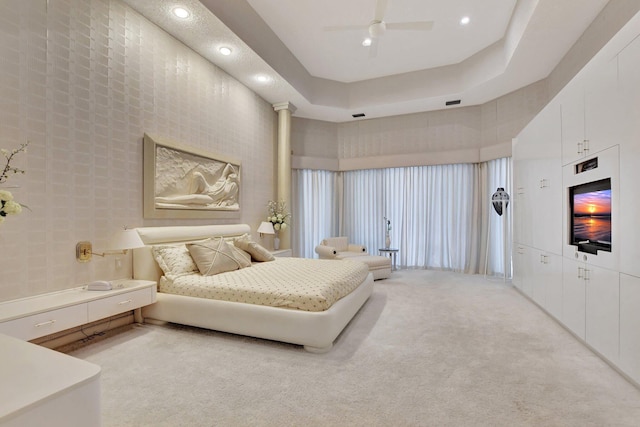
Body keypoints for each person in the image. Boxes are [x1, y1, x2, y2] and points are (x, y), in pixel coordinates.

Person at [155, 163, 239, 209]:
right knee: (197, 175)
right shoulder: (223, 179)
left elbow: (228, 200)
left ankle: (166, 201)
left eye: (233, 176)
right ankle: (189, 196)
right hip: (208, 189)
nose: (231, 175)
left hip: (211, 198)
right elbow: (228, 165)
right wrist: (236, 174)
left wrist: (237, 182)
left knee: (194, 198)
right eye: (231, 174)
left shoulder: (232, 187)